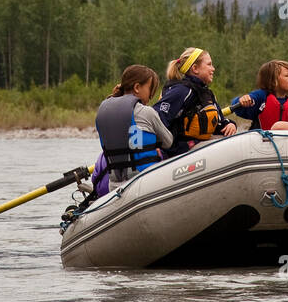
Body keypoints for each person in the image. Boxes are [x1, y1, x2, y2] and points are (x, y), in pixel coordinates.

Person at [94, 65, 174, 193]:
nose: (150, 96)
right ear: (137, 87)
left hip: (114, 186)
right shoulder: (147, 112)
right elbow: (168, 142)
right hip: (144, 183)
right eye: (150, 90)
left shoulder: (103, 112)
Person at [155, 47, 236, 158]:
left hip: (198, 149)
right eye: (209, 64)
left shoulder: (207, 94)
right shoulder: (181, 91)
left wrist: (229, 124)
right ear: (195, 68)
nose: (213, 69)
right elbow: (158, 118)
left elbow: (219, 123)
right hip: (179, 153)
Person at [230, 60, 288, 130]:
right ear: (273, 80)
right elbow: (238, 108)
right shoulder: (261, 97)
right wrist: (242, 100)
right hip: (262, 143)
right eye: (287, 75)